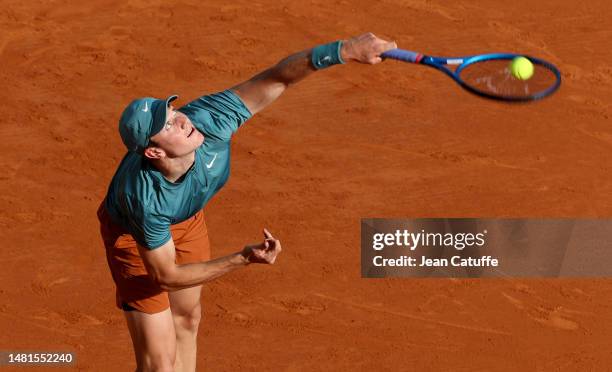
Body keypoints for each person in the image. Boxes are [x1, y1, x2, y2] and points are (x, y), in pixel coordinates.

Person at [97, 32, 397, 372]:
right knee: (160, 367)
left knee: (188, 317)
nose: (182, 120)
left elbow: (277, 78)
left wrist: (343, 50)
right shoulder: (144, 199)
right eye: (167, 125)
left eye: (173, 110)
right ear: (154, 152)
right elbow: (166, 276)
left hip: (186, 217)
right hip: (137, 241)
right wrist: (242, 258)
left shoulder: (208, 119)